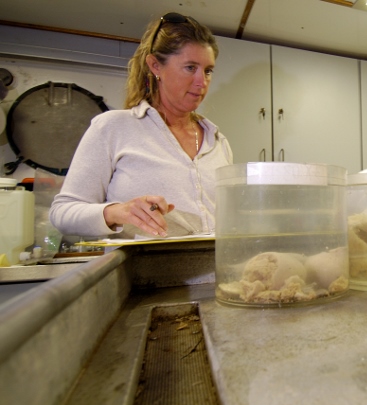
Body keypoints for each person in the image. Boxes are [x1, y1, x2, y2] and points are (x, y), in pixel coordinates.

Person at [49, 12, 232, 239]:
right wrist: (117, 211)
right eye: (190, 68)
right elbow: (62, 213)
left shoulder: (217, 141)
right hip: (145, 274)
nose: (201, 82)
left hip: (216, 273)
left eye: (208, 70)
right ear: (155, 65)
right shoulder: (113, 128)